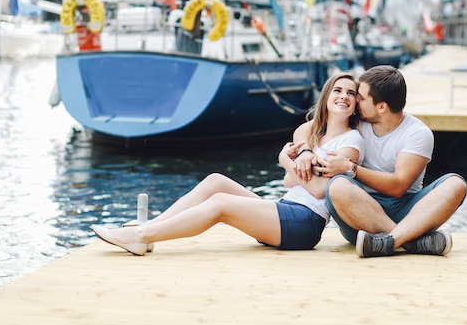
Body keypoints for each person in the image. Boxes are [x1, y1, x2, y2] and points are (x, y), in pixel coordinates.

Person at [91, 73, 364, 256]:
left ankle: (143, 235)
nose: (344, 96)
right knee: (215, 181)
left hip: (305, 222)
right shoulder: (316, 135)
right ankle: (148, 232)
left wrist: (285, 161)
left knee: (221, 203)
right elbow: (290, 182)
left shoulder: (351, 141)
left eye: (351, 93)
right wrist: (296, 170)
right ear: (326, 97)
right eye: (337, 90)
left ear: (355, 105)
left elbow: (320, 190)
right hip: (286, 208)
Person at [293, 65, 467, 258]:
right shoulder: (357, 119)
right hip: (358, 216)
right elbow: (307, 128)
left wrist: (351, 168)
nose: (355, 101)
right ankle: (411, 242)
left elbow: (398, 186)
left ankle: (389, 242)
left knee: (456, 184)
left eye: (361, 98)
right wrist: (305, 151)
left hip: (406, 211)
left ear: (382, 107)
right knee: (337, 187)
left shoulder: (418, 133)